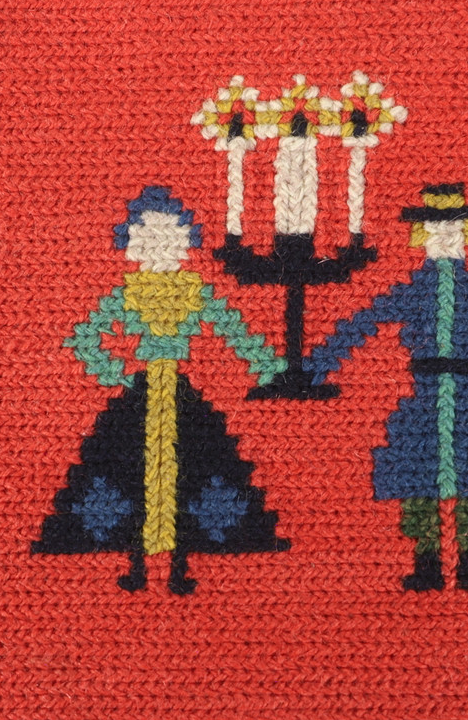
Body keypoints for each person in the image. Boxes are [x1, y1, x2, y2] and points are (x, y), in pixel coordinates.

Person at [34, 186, 288, 594]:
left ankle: (178, 568)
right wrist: (114, 373)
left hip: (173, 391)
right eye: (149, 234)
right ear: (132, 242)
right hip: (145, 391)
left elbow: (231, 328)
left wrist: (263, 364)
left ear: (186, 240)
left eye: (170, 233)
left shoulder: (193, 291)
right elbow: (85, 337)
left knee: (188, 471)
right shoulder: (130, 293)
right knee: (134, 472)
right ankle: (136, 566)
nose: (161, 242)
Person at [306, 183, 468, 591]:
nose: (444, 234)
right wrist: (322, 364)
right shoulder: (414, 289)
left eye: (453, 227)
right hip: (425, 391)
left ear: (467, 233)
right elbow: (367, 321)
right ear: (423, 234)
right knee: (415, 475)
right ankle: (426, 559)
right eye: (436, 227)